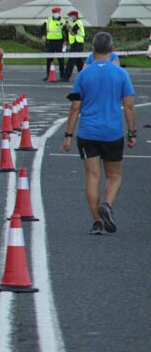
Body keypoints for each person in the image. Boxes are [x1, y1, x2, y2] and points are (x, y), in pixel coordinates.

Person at [59, 32, 136, 235]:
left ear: (92, 50)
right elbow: (128, 105)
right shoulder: (121, 74)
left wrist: (68, 135)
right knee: (115, 175)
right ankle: (107, 205)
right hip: (112, 131)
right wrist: (132, 132)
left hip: (88, 131)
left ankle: (96, 222)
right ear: (112, 50)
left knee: (92, 176)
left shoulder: (84, 74)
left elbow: (75, 106)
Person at [42, 6, 68, 81]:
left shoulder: (63, 21)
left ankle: (62, 76)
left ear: (59, 13)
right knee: (49, 59)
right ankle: (48, 75)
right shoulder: (48, 20)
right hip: (50, 42)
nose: (55, 14)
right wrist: (43, 35)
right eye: (54, 13)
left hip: (59, 42)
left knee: (61, 59)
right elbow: (42, 28)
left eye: (57, 12)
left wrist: (66, 40)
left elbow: (66, 31)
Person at [63, 10, 86, 80]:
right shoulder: (75, 23)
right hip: (76, 44)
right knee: (79, 62)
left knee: (71, 61)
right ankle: (83, 76)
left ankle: (66, 77)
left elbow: (73, 33)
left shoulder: (78, 23)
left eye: (71, 16)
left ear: (75, 16)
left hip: (77, 44)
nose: (70, 18)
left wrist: (69, 28)